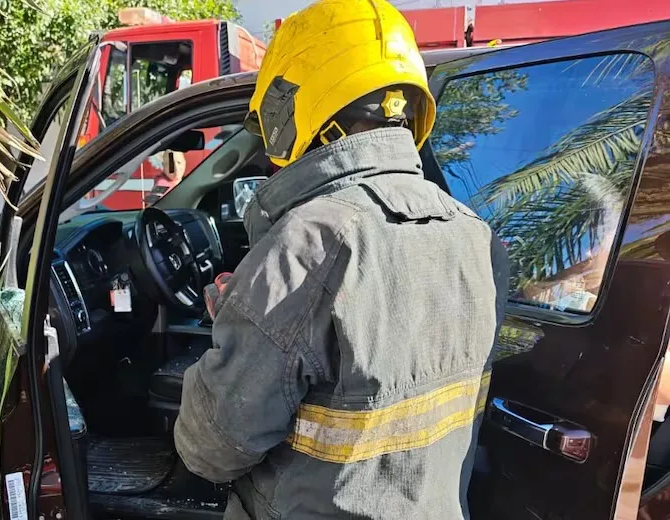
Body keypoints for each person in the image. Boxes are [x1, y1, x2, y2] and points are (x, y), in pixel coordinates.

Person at [173, 1, 510, 518]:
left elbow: (209, 446)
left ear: (302, 101)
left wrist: (236, 325)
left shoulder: (309, 245)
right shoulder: (477, 239)